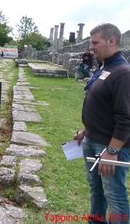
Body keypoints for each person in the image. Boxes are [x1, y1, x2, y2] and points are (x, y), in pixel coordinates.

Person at [73, 23, 130, 224]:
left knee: (115, 197)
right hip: (92, 139)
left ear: (112, 41)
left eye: (95, 43)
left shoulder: (123, 72)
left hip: (109, 147)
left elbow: (125, 118)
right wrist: (86, 131)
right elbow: (103, 108)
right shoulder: (106, 67)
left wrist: (112, 152)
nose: (92, 48)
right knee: (96, 190)